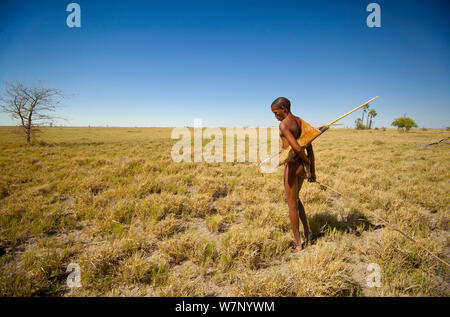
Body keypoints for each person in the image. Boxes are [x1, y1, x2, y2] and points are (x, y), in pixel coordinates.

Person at [271, 97, 328, 251]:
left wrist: (306, 161)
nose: (275, 117)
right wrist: (311, 168)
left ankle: (298, 243)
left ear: (284, 108)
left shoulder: (284, 125)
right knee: (296, 199)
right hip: (302, 168)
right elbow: (309, 146)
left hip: (292, 166)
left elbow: (297, 148)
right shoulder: (299, 121)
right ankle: (308, 232)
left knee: (292, 205)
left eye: (276, 113)